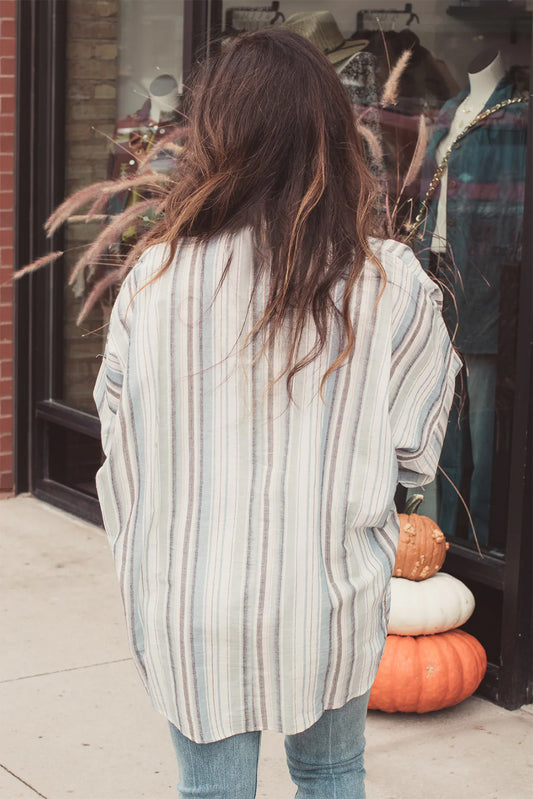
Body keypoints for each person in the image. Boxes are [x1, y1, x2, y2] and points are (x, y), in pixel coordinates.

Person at [94, 28, 461, 799]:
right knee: (330, 771)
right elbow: (413, 455)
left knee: (214, 792)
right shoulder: (389, 285)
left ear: (214, 134)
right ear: (334, 134)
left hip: (186, 594)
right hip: (323, 595)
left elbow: (118, 430)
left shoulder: (152, 281)